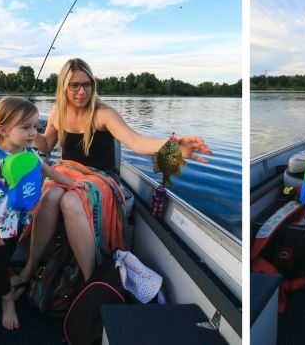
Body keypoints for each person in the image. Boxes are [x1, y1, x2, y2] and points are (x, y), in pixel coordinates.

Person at [16, 58, 212, 287]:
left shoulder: (103, 114)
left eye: (87, 84)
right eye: (75, 85)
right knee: (49, 196)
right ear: (63, 87)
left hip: (100, 177)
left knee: (70, 200)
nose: (82, 91)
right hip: (66, 171)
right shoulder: (58, 113)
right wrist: (24, 131)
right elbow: (47, 145)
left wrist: (173, 147)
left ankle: (91, 282)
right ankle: (30, 268)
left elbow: (136, 142)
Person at [0, 96, 85, 330]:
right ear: (4, 129)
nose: (33, 133)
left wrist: (72, 184)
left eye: (35, 127)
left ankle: (7, 280)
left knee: (8, 254)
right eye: (25, 127)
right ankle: (7, 300)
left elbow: (50, 171)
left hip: (17, 220)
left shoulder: (30, 153)